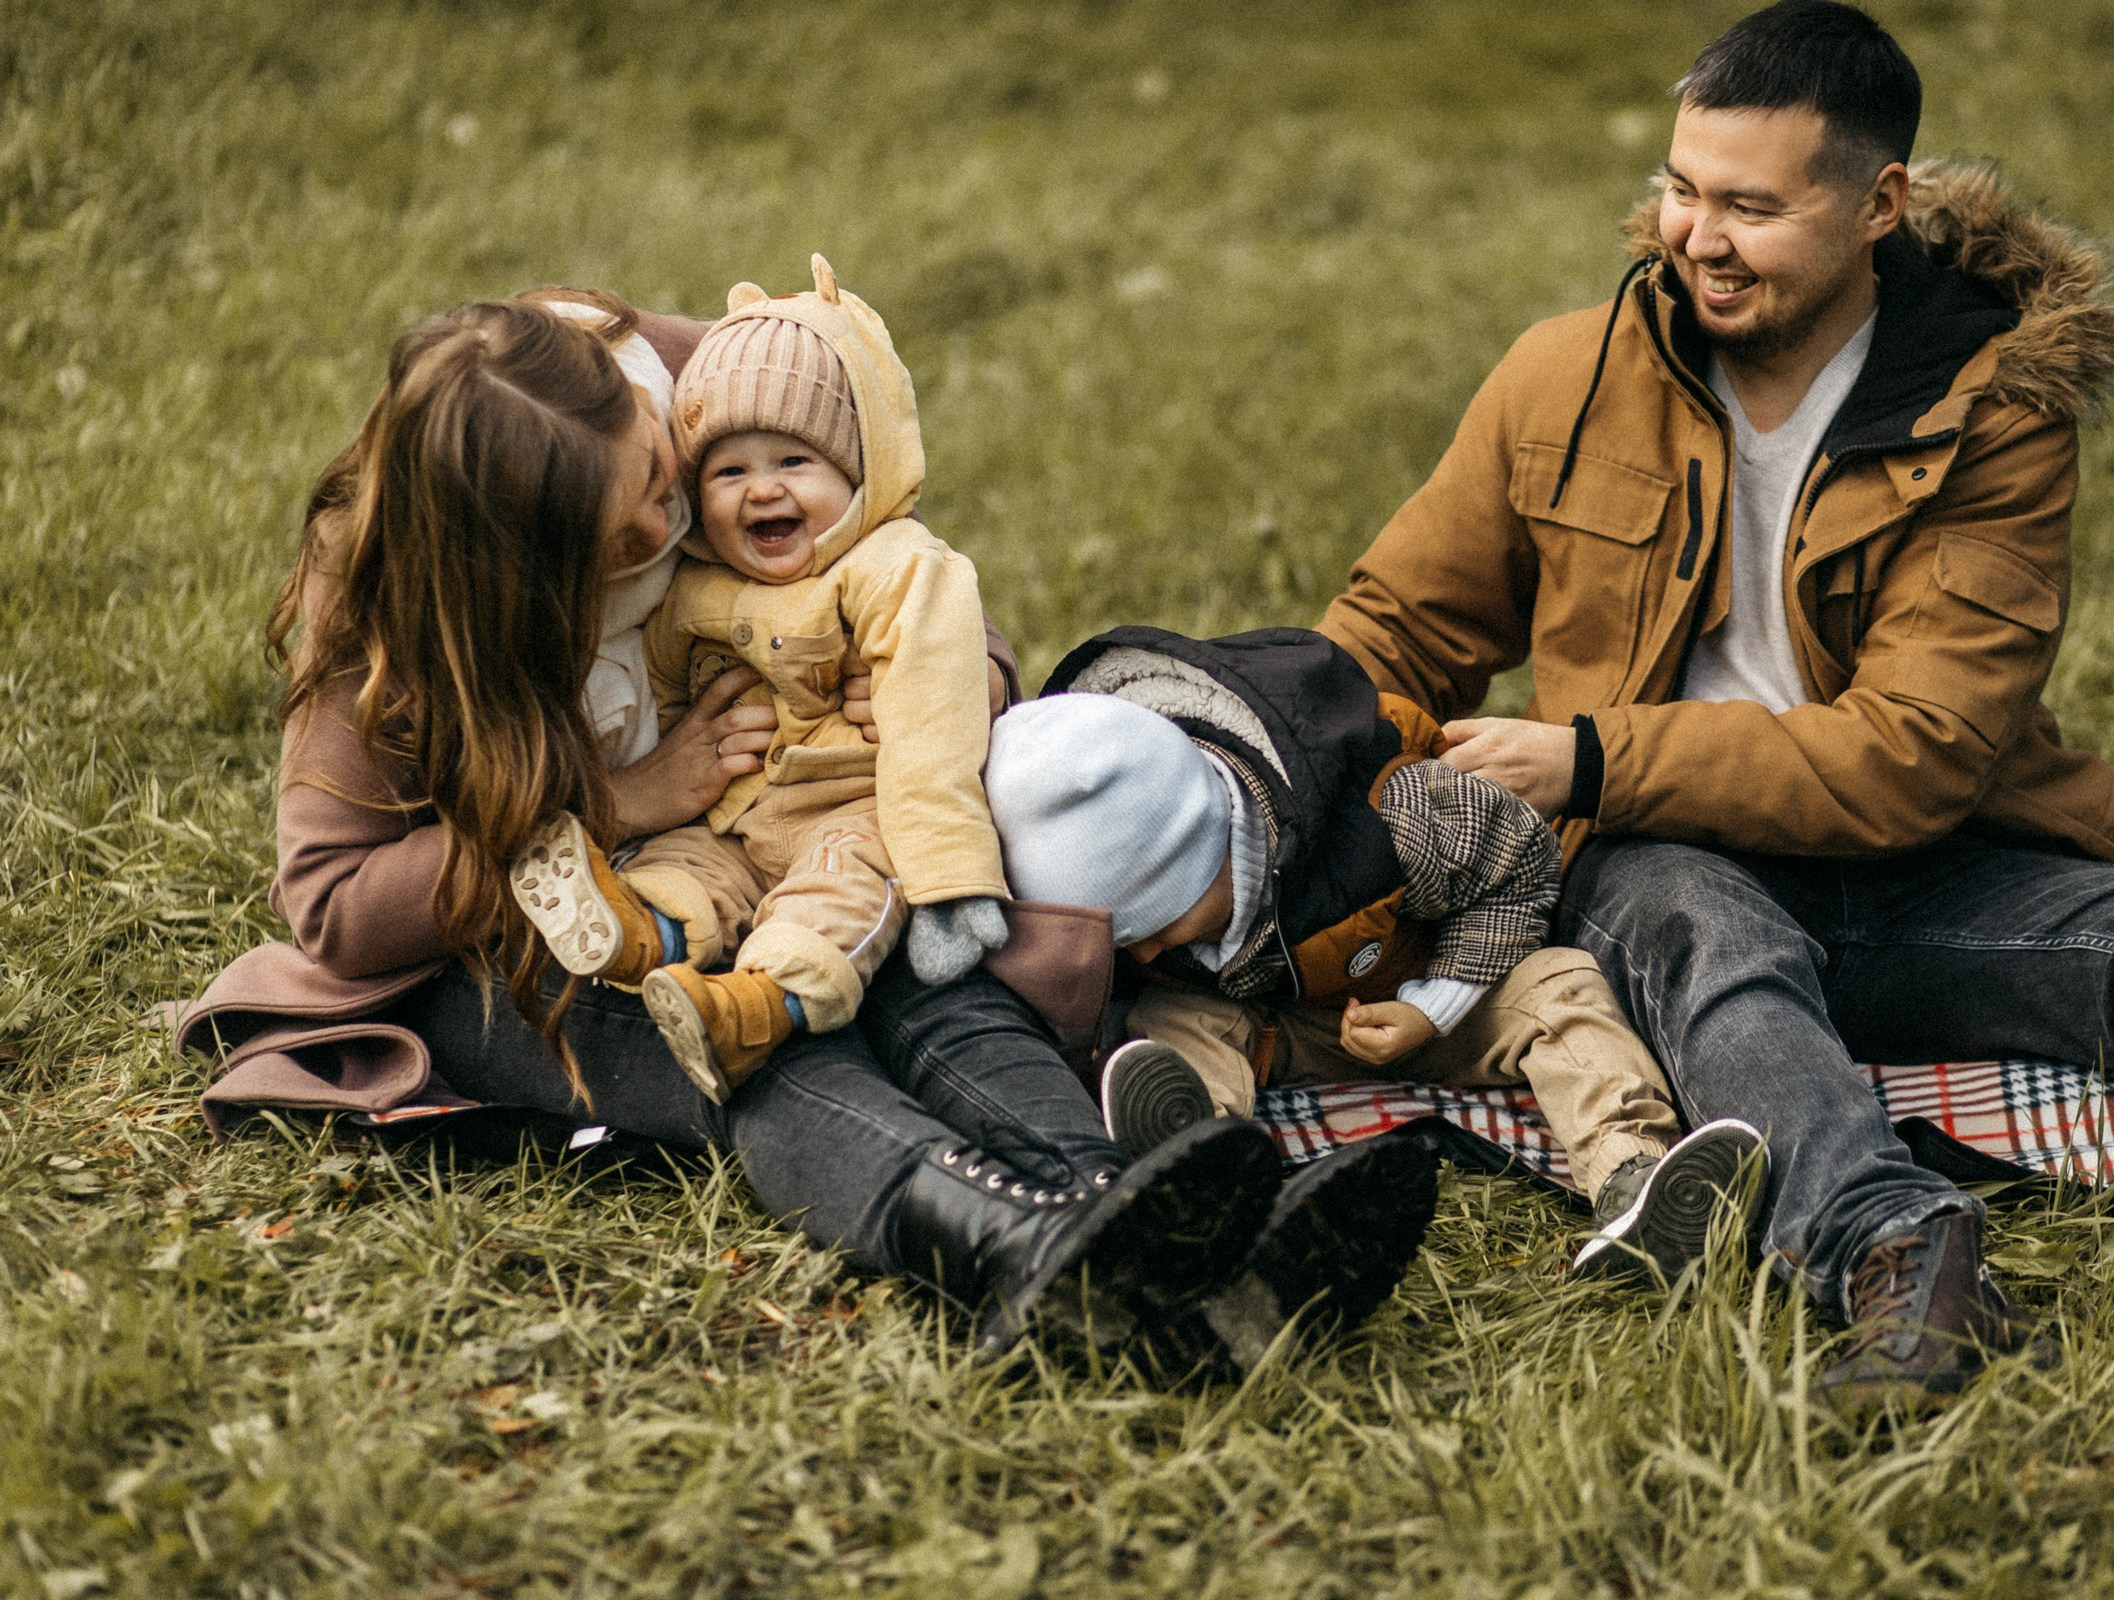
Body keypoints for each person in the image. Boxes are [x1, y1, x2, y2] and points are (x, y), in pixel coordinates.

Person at [1316, 0, 2114, 1407]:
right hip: (1670, 874)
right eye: (1682, 191)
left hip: (1918, 872)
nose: (1698, 237)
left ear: (1878, 203)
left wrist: (1589, 756)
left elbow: (1916, 757)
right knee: (1691, 918)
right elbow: (1401, 627)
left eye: (1751, 207)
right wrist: (1280, 762)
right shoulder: (1565, 377)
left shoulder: (1996, 413)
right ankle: (1898, 1248)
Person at [175, 289, 1290, 1360]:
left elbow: (882, 531)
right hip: (534, 940)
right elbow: (333, 912)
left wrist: (957, 679)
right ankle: (1017, 1245)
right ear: (513, 581)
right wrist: (615, 800)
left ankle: (1126, 1203)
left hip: (774, 841)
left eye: (665, 478)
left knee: (908, 966)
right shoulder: (386, 598)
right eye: (622, 543)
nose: (668, 526)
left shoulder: (673, 371)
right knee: (750, 1045)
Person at [981, 624, 1769, 1315]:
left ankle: (1639, 1182)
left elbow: (1521, 864)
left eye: (1156, 927)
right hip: (1275, 1024)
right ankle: (1199, 1162)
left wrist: (1434, 1004)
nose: (1147, 955)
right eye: (1127, 943)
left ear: (1211, 849)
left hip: (1430, 993)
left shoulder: (1400, 819)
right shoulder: (1158, 924)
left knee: (1562, 987)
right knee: (1172, 1020)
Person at [507, 258, 1009, 1105]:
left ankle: (753, 1007)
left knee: (838, 898)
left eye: (793, 462)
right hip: (735, 815)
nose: (762, 489)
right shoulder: (699, 584)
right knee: (684, 865)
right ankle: (636, 932)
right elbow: (667, 681)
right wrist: (660, 767)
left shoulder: (891, 566)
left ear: (859, 475)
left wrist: (953, 882)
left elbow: (934, 737)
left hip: (855, 810)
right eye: (729, 473)